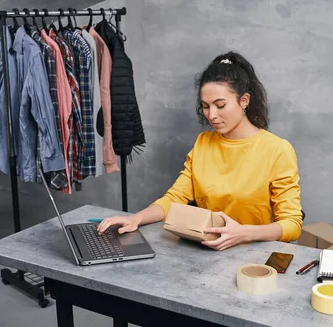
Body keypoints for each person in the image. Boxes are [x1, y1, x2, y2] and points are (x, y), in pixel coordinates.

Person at [97, 51, 303, 250]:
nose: (211, 115)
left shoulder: (277, 150)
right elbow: (175, 198)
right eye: (205, 106)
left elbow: (292, 224)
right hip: (209, 252)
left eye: (220, 105)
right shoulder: (203, 142)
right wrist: (136, 218)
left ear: (244, 101)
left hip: (256, 256)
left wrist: (243, 233)